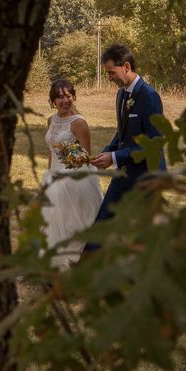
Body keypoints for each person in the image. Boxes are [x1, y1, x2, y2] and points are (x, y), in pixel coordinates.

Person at [86, 44, 166, 252]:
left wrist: (114, 157)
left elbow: (154, 142)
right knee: (103, 221)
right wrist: (107, 152)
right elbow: (122, 132)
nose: (109, 78)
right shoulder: (121, 94)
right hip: (124, 173)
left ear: (127, 66)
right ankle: (83, 273)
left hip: (147, 177)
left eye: (111, 72)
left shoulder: (149, 96)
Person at [41, 79, 103, 268]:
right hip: (52, 175)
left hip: (72, 178)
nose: (65, 100)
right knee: (50, 223)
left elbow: (86, 156)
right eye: (60, 97)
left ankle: (73, 263)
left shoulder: (79, 123)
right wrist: (49, 173)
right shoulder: (51, 120)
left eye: (68, 96)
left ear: (74, 96)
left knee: (69, 224)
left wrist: (69, 160)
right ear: (53, 101)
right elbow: (51, 150)